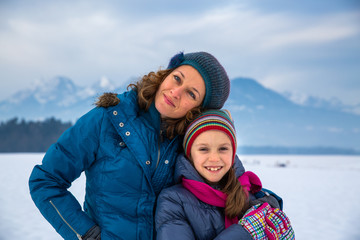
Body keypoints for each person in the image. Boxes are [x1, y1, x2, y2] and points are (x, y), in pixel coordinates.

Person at [28, 51, 231, 240]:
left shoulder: (194, 142)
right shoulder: (107, 119)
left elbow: (230, 180)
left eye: (191, 94)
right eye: (177, 78)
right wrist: (85, 233)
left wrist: (260, 198)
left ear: (200, 109)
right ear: (166, 74)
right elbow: (46, 180)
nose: (175, 92)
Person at [155, 109, 295, 240]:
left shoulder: (251, 195)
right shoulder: (173, 201)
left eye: (223, 148)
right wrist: (245, 233)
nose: (214, 158)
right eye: (204, 149)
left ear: (233, 153)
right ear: (190, 154)